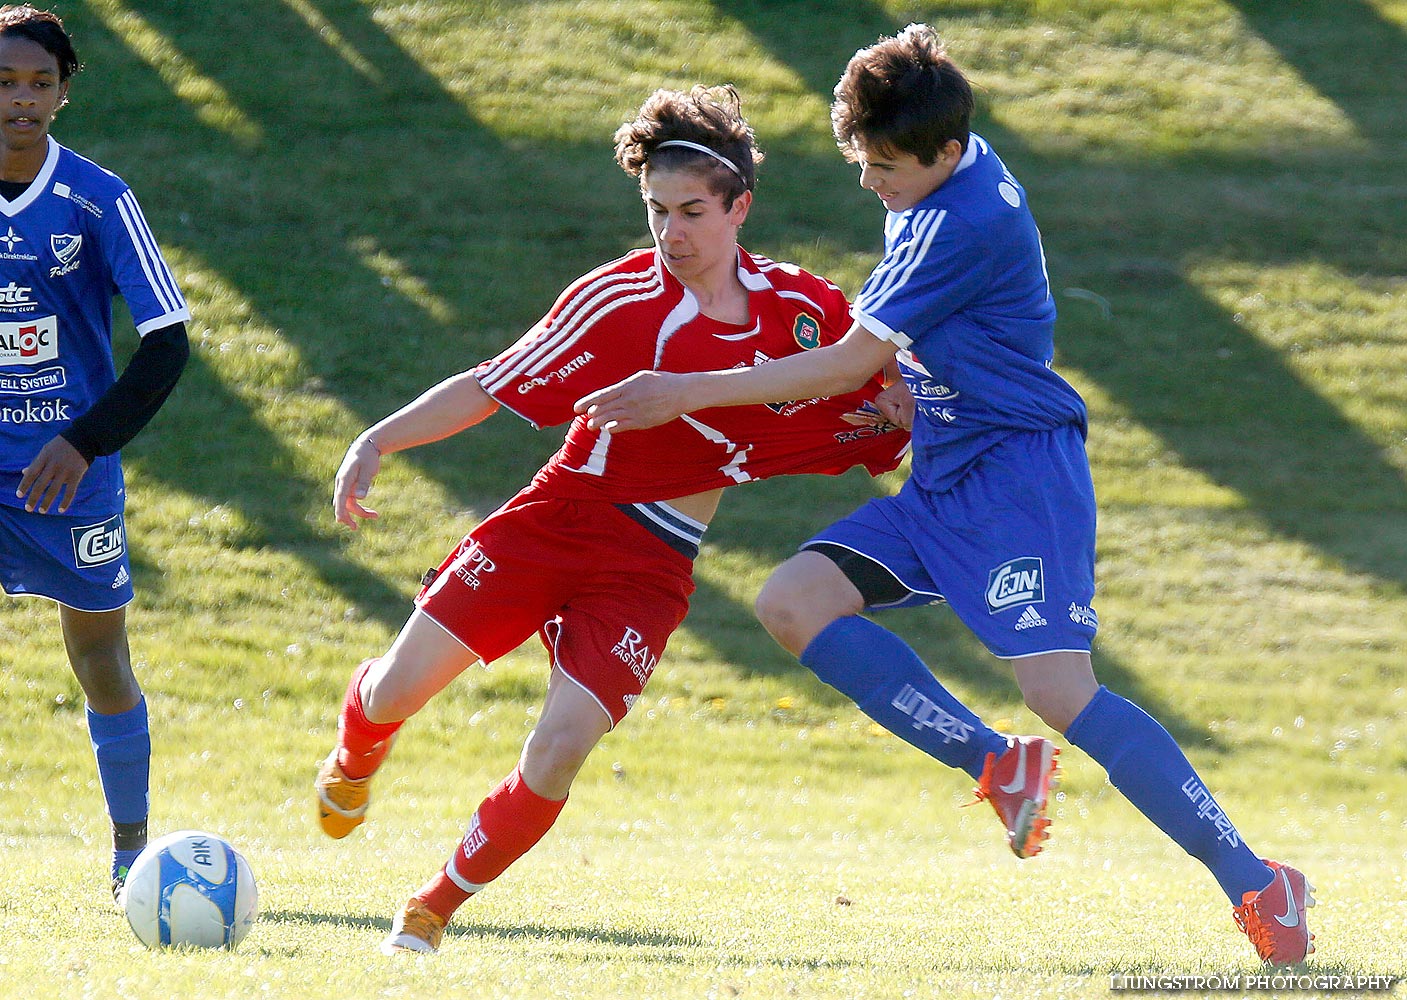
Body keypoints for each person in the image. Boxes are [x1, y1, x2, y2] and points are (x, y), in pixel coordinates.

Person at [578, 25, 1314, 965]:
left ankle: (1257, 882)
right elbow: (917, 328)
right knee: (794, 601)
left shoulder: (955, 219)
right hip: (945, 469)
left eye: (883, 162)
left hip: (1017, 477)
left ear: (945, 152)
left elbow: (848, 357)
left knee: (1059, 690)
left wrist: (682, 393)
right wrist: (922, 380)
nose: (867, 180)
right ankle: (995, 764)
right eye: (861, 157)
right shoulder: (940, 163)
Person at [314, 84, 910, 955]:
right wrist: (377, 439)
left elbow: (881, 376)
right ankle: (358, 748)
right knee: (400, 688)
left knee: (560, 748)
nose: (672, 233)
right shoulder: (618, 300)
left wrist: (905, 406)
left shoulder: (802, 308)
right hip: (555, 522)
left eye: (693, 211)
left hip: (651, 566)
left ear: (739, 207)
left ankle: (433, 907)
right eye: (655, 210)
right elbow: (490, 384)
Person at [0, 5, 190, 898]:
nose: (20, 101)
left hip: (65, 476)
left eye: (39, 84)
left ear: (65, 92)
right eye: (3, 83)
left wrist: (83, 441)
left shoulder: (99, 199)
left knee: (99, 654)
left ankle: (129, 850)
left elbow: (167, 342)